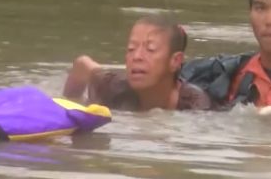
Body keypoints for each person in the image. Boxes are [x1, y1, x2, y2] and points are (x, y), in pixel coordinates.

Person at [62, 15, 212, 111]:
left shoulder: (195, 106)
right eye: (131, 49)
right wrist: (69, 103)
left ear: (175, 61)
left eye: (150, 49)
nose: (137, 57)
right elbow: (82, 65)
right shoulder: (114, 87)